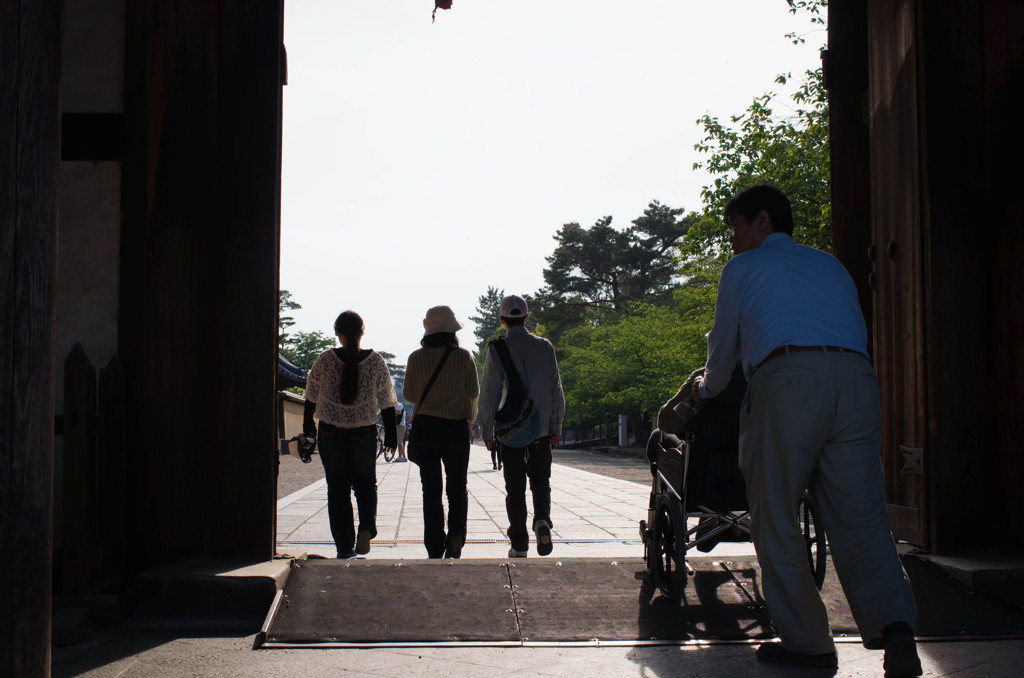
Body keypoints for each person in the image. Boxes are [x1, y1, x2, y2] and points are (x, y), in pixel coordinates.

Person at [692, 185, 920, 677]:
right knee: (861, 517)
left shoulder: (744, 268)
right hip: (856, 381)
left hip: (788, 380)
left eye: (735, 227)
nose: (732, 240)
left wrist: (705, 390)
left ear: (762, 221)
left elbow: (723, 346)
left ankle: (809, 642)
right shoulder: (831, 265)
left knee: (775, 516)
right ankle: (897, 628)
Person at [303, 310, 398, 559]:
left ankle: (344, 547)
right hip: (364, 433)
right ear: (362, 332)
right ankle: (366, 527)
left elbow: (311, 396)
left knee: (337, 490)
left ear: (339, 334)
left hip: (329, 433)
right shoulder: (376, 361)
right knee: (366, 484)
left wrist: (308, 429)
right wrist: (391, 436)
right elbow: (387, 400)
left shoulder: (325, 359)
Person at [479, 294, 565, 558]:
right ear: (527, 318)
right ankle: (541, 520)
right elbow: (556, 390)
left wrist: (487, 430)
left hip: (512, 433)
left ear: (503, 321)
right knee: (541, 483)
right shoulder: (545, 346)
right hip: (541, 433)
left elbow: (490, 394)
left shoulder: (497, 350)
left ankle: (519, 542)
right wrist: (555, 426)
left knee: (514, 489)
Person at [404, 306, 480, 559]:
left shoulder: (415, 358)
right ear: (452, 331)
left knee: (431, 489)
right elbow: (473, 392)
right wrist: (469, 419)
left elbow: (410, 395)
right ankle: (457, 534)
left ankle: (435, 544)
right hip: (456, 427)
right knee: (458, 486)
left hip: (426, 427)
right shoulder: (464, 357)